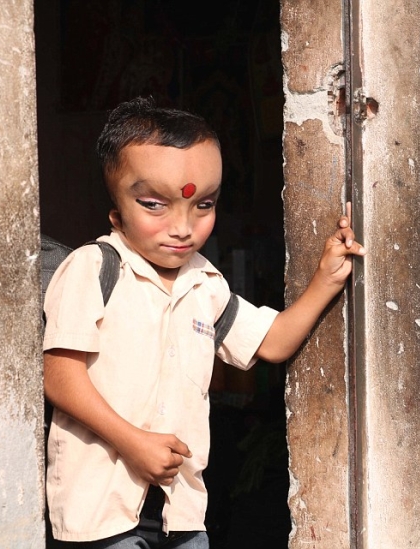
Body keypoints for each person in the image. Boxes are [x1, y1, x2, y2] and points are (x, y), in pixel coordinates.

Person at [43, 97, 366, 548]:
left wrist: (327, 279)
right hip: (101, 507)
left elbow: (271, 343)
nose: (182, 226)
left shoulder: (205, 283)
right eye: (154, 204)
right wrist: (133, 442)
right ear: (117, 213)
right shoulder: (93, 268)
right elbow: (60, 378)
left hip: (180, 510)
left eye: (203, 204)